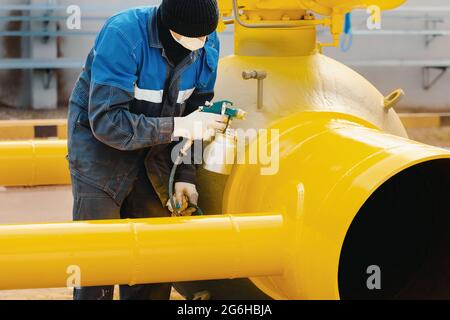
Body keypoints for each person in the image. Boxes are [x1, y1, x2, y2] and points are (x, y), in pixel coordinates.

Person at [67, 0, 226, 300]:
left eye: (207, 36)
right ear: (170, 27)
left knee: (152, 260)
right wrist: (179, 127)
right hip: (100, 151)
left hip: (158, 152)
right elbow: (106, 122)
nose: (202, 44)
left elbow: (197, 111)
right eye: (195, 37)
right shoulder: (124, 35)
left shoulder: (206, 38)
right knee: (99, 260)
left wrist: (185, 175)